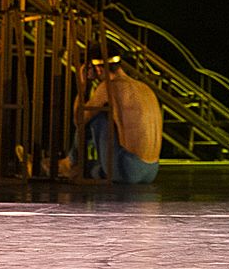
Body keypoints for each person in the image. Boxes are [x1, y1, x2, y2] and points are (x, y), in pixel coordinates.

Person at [63, 44, 161, 184]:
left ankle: (70, 163)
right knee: (107, 117)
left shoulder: (109, 87)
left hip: (127, 170)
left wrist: (83, 85)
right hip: (151, 170)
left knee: (96, 118)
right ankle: (78, 166)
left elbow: (79, 120)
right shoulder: (145, 88)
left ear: (98, 68)